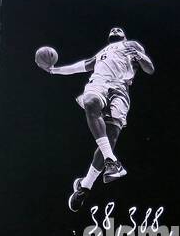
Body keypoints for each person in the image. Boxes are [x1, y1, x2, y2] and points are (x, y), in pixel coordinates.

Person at [37, 26, 156, 212]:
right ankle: (111, 160)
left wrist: (140, 57)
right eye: (113, 30)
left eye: (119, 29)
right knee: (90, 101)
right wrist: (54, 71)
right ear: (109, 38)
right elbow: (79, 66)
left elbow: (150, 69)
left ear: (123, 36)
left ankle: (84, 186)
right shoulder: (102, 54)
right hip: (99, 83)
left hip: (120, 89)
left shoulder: (132, 45)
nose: (115, 29)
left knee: (112, 136)